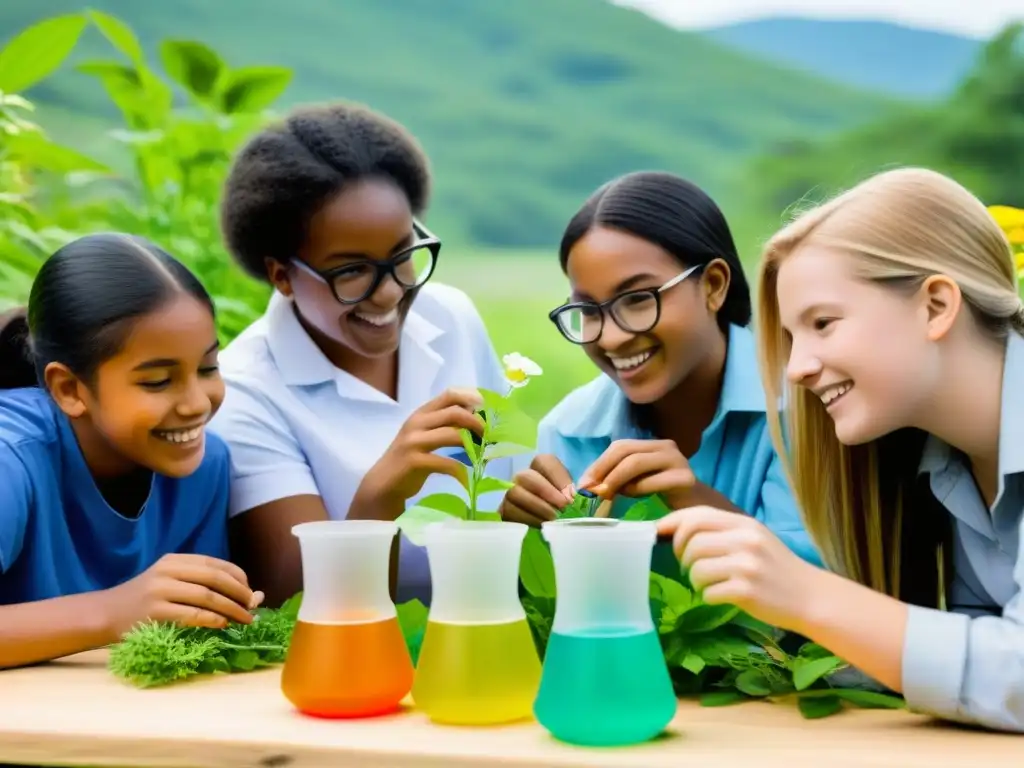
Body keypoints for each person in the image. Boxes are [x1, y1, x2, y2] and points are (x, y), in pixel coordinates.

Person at [656, 167, 1024, 732]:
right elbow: (979, 661)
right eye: (792, 338)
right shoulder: (946, 462)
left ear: (935, 306)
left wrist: (810, 596)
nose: (798, 369)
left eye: (823, 323)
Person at [210, 102, 513, 607]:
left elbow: (506, 490)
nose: (390, 293)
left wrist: (533, 500)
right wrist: (380, 496)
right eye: (351, 271)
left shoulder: (450, 317)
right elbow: (298, 604)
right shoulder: (246, 393)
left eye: (402, 255)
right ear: (281, 275)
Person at [500, 171, 820, 575]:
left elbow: (824, 593)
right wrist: (526, 543)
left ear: (714, 286)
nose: (612, 338)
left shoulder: (803, 406)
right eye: (588, 310)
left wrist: (692, 500)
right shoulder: (568, 431)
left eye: (637, 299)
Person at [0, 233, 262, 670]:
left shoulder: (203, 464)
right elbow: (126, 615)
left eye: (208, 368)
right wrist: (114, 611)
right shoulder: (12, 458)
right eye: (158, 381)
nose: (197, 403)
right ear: (69, 388)